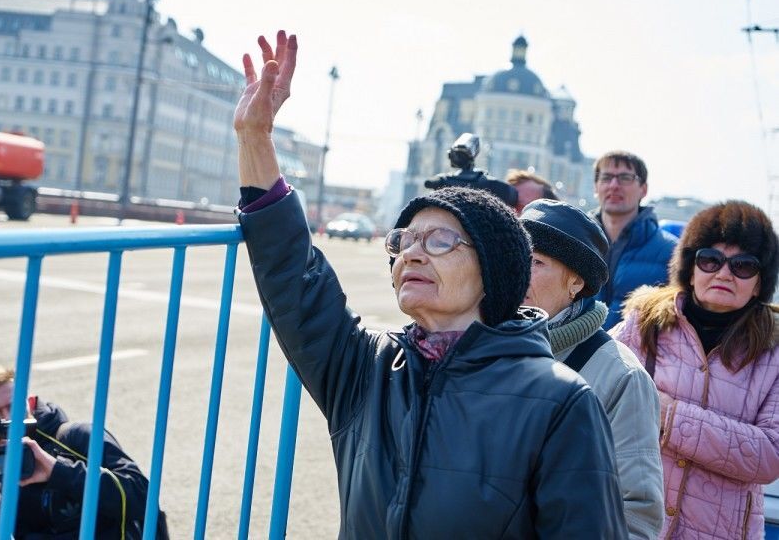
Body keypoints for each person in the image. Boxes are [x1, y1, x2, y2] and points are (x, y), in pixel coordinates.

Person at [234, 31, 627, 538]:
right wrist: (254, 137)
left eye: (441, 240)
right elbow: (292, 276)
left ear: (495, 270)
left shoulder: (561, 402)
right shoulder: (369, 371)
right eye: (406, 240)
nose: (414, 252)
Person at [612, 200, 779, 539]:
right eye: (710, 260)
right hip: (632, 526)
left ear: (760, 283)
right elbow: (600, 402)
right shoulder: (644, 323)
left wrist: (667, 415)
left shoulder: (774, 350)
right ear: (690, 267)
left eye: (743, 266)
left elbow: (769, 456)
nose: (723, 273)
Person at [520, 199, 664, 539]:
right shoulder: (477, 348)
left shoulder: (622, 377)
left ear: (576, 283)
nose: (517, 272)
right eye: (512, 258)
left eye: (535, 262)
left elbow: (637, 517)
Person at [0, 362, 167, 540]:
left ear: (30, 402)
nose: (7, 419)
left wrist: (58, 470)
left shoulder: (76, 437)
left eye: (13, 406)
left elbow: (142, 497)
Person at [592, 151, 677, 329]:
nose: (614, 185)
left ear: (643, 189)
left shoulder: (672, 253)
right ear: (596, 186)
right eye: (606, 177)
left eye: (625, 178)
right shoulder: (575, 241)